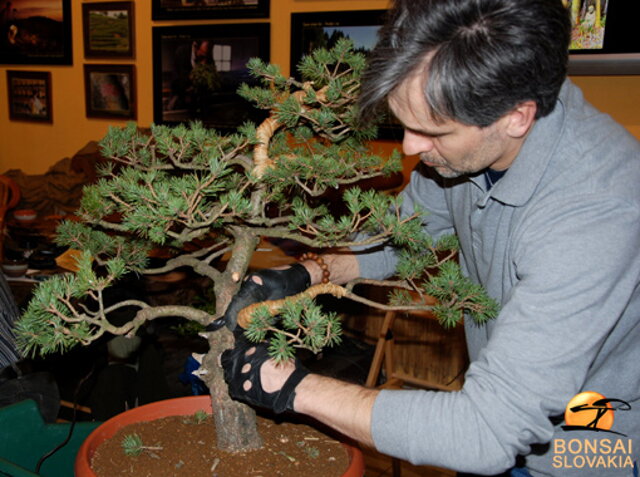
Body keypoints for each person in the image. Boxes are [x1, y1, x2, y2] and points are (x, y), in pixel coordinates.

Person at [218, 0, 640, 475]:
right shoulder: (470, 145)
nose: (409, 148)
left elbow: (484, 431)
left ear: (517, 117)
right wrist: (310, 271)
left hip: (589, 453)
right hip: (498, 420)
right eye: (404, 123)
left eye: (431, 130)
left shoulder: (597, 213)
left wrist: (294, 388)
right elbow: (402, 231)